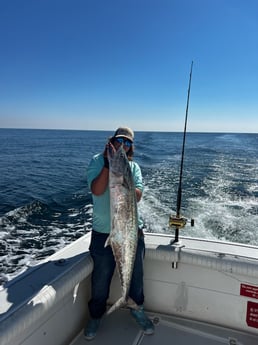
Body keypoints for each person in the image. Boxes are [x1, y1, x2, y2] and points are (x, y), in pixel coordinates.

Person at [84, 127, 154, 340]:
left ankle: (136, 308)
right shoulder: (97, 161)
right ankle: (96, 316)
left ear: (132, 148)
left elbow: (139, 195)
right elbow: (96, 190)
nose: (123, 145)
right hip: (102, 233)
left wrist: (126, 178)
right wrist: (108, 165)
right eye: (119, 140)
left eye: (128, 143)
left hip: (132, 231)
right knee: (100, 280)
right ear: (111, 141)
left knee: (136, 277)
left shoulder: (133, 167)